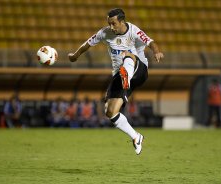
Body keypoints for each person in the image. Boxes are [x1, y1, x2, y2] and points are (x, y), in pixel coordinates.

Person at [68, 8, 163, 155]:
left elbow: (150, 42)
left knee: (127, 54)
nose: (111, 27)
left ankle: (127, 76)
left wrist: (156, 51)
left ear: (122, 21)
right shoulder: (105, 33)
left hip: (139, 70)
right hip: (120, 75)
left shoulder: (133, 30)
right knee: (110, 111)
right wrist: (75, 55)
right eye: (109, 23)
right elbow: (88, 43)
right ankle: (136, 137)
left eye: (113, 23)